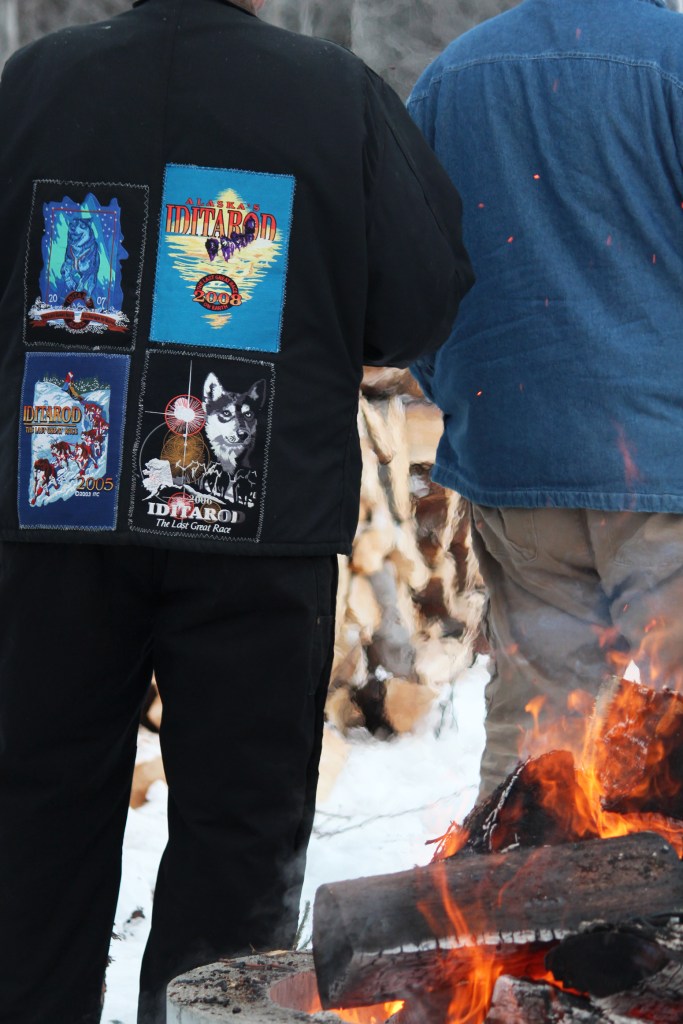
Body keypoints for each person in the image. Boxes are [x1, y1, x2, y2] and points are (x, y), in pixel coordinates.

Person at [0, 1, 474, 1021]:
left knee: (33, 822)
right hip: (253, 521)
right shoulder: (330, 95)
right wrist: (320, 321)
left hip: (56, 507)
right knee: (242, 836)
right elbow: (421, 293)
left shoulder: (33, 84)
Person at [408, 0, 683, 801]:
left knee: (538, 739)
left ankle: (511, 914)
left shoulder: (449, 78)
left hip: (514, 456)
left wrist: (465, 396)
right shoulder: (672, 58)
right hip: (663, 461)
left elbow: (410, 281)